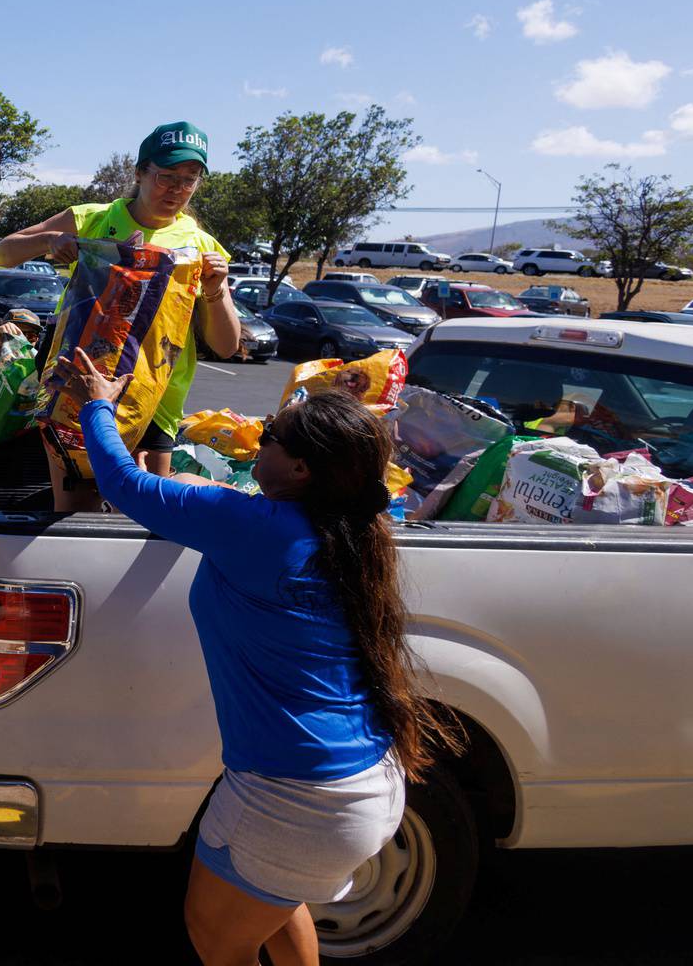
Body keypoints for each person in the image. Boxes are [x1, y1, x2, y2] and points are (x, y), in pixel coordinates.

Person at [64, 354, 458, 966]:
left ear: (301, 467)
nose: (258, 438)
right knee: (275, 907)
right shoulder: (345, 526)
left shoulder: (253, 525)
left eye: (269, 435)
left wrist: (97, 402)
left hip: (293, 799)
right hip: (360, 786)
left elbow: (122, 484)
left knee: (218, 940)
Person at [0, 121, 238, 506]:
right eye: (166, 176)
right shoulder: (93, 218)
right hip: (79, 388)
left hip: (155, 401)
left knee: (151, 517)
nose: (176, 189)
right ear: (140, 173)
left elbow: (226, 345)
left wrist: (216, 289)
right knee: (75, 512)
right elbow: (1, 254)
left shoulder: (203, 246)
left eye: (189, 179)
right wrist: (49, 241)